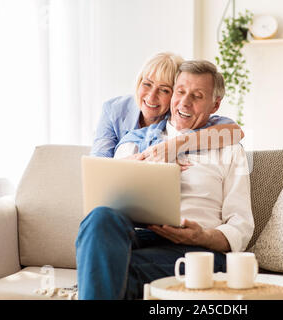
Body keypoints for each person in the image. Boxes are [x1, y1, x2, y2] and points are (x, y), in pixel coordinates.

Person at [76, 60, 254, 300]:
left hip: (197, 251)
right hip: (138, 239)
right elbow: (103, 202)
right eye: (180, 92)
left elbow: (240, 225)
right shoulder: (134, 142)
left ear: (215, 105)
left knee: (104, 269)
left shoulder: (230, 149)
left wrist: (202, 236)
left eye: (197, 96)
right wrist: (133, 170)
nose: (185, 102)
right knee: (99, 219)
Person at [90, 52, 244, 163]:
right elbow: (97, 165)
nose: (151, 97)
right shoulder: (114, 110)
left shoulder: (180, 116)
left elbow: (235, 132)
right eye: (147, 84)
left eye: (164, 90)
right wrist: (132, 163)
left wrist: (175, 146)